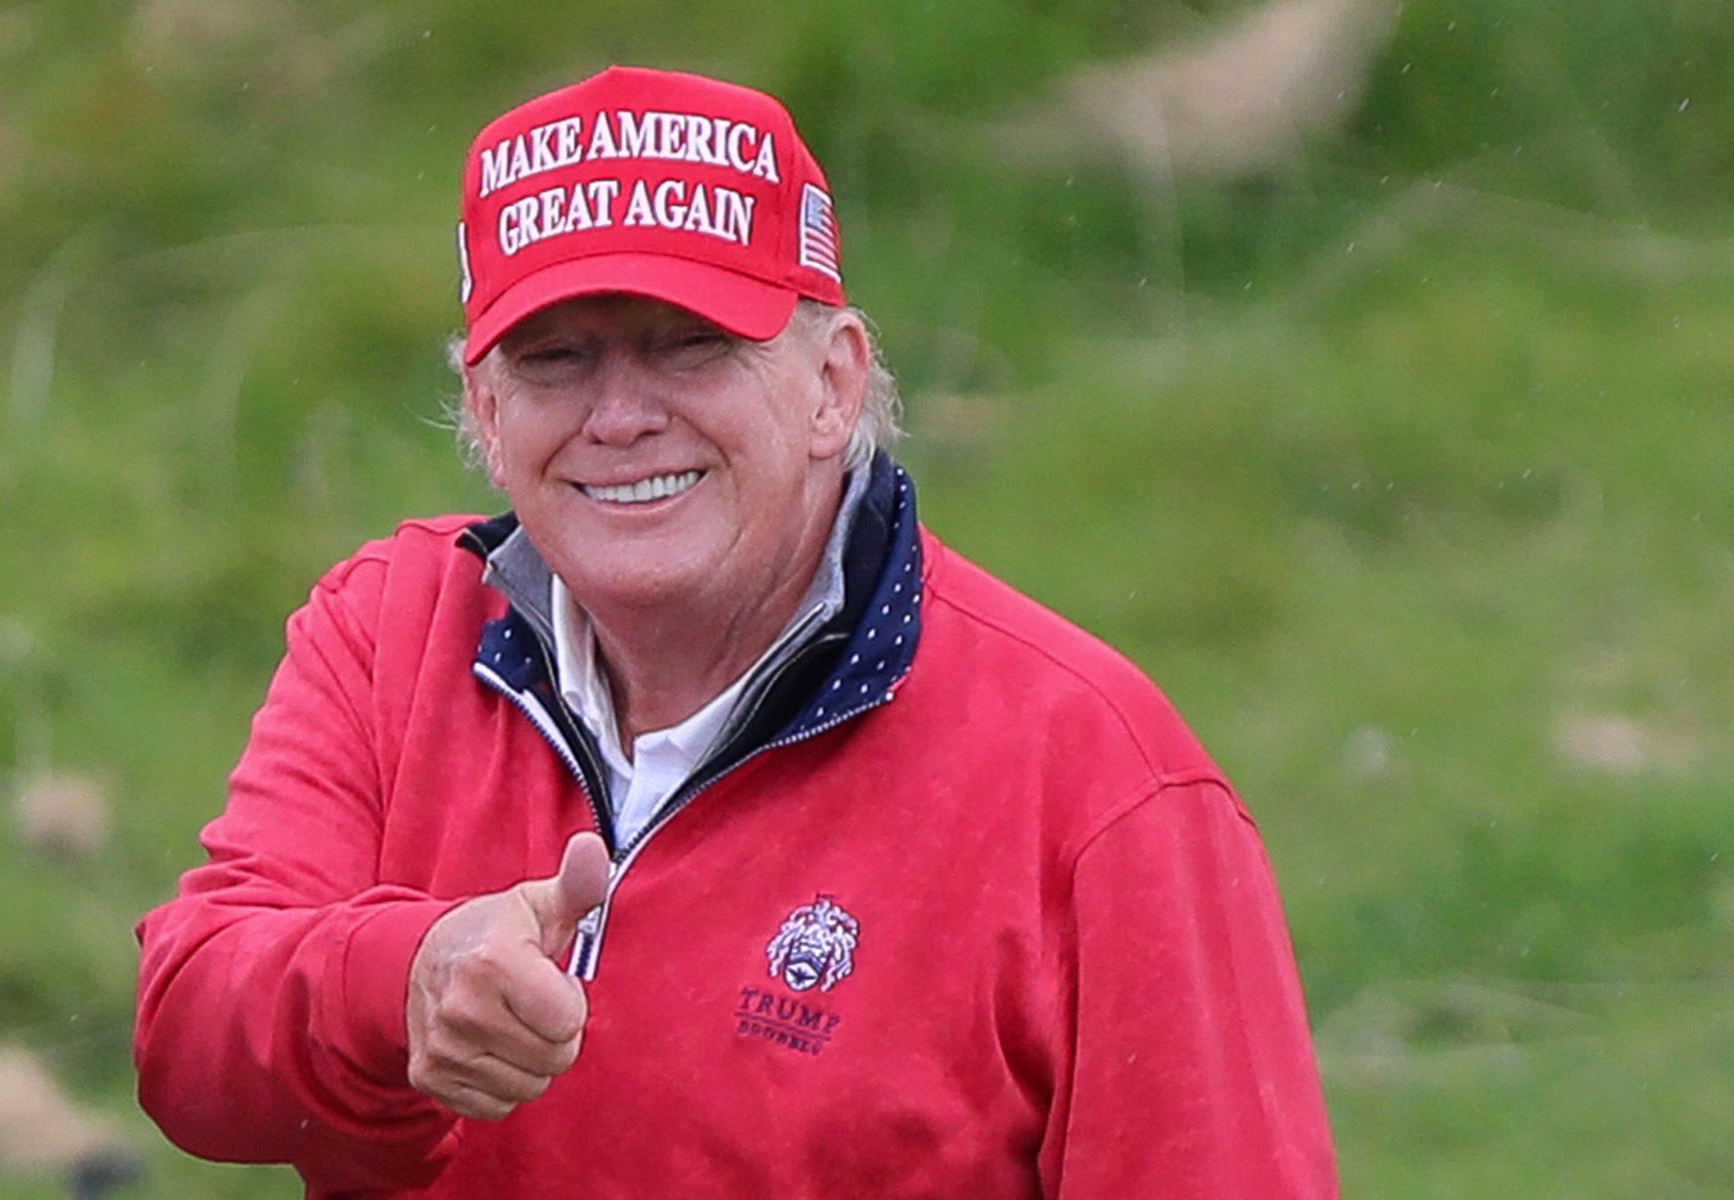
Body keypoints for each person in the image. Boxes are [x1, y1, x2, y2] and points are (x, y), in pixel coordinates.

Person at [133, 65, 1339, 1199]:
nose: (619, 416)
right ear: (486, 415)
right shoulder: (391, 631)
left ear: (832, 384)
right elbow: (187, 1035)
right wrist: (402, 983)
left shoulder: (1094, 777)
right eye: (554, 359)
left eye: (690, 344)